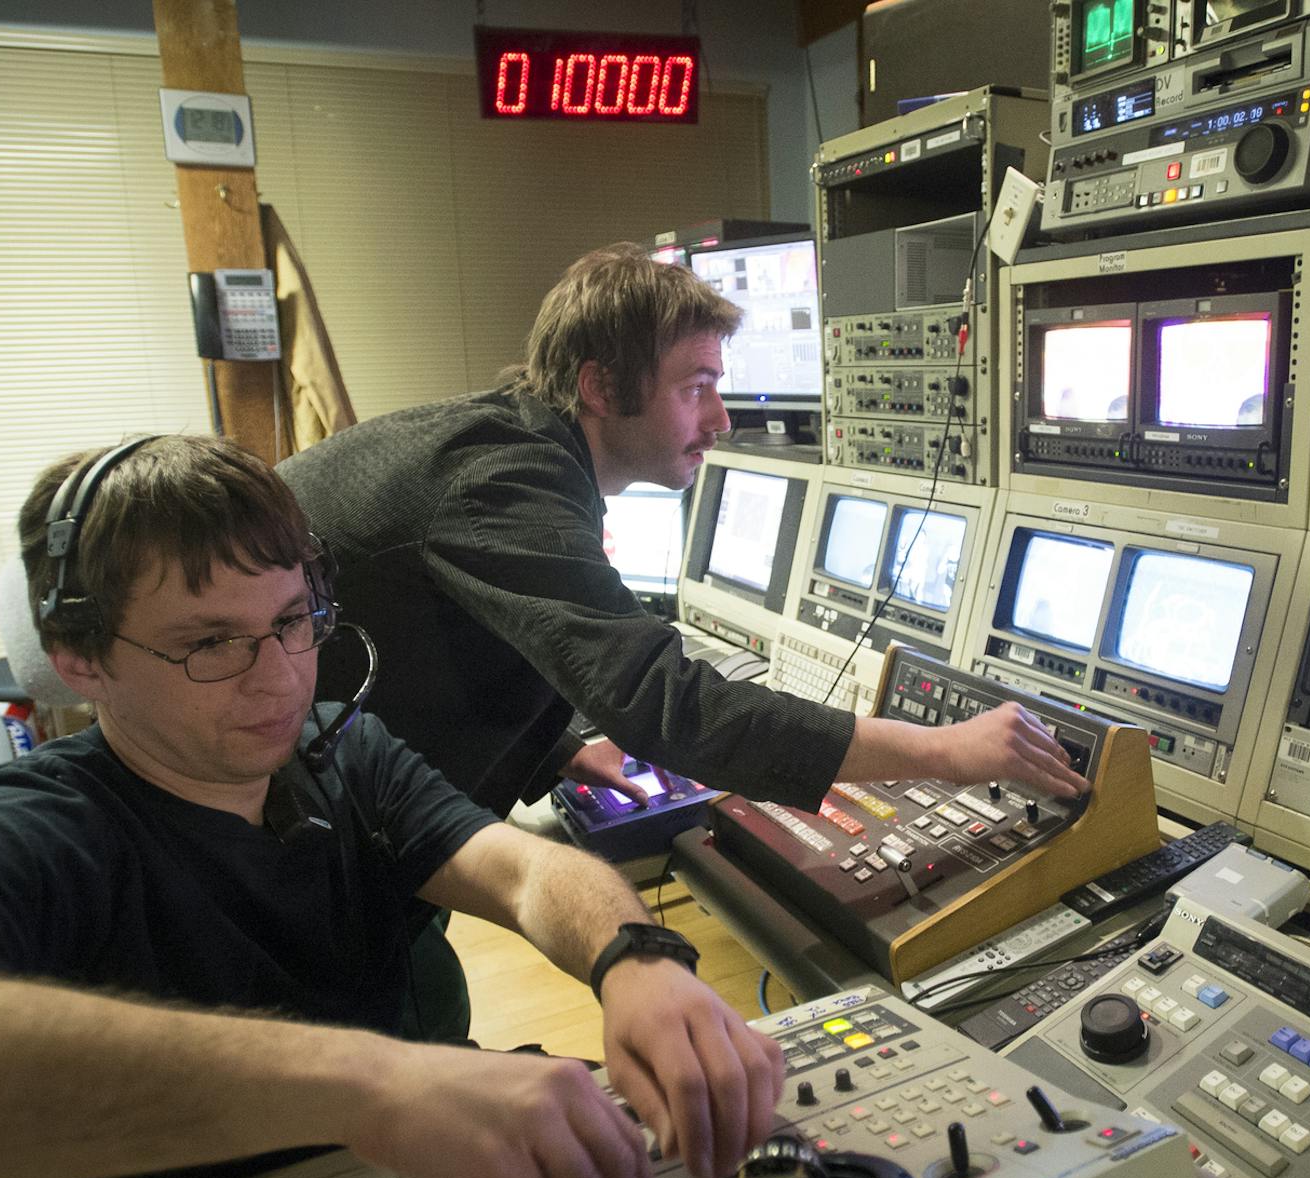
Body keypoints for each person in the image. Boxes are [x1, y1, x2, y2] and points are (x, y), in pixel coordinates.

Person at [0, 436, 781, 1178]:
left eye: (290, 622)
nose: (278, 680)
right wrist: (369, 1085)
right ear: (78, 655)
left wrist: (635, 955)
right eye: (210, 644)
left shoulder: (336, 747)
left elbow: (518, 868)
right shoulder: (30, 829)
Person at [279, 243, 1087, 818]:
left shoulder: (515, 448)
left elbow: (461, 629)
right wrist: (944, 750)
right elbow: (665, 704)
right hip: (273, 811)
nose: (722, 419)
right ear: (600, 386)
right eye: (696, 387)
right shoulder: (500, 481)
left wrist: (552, 747)